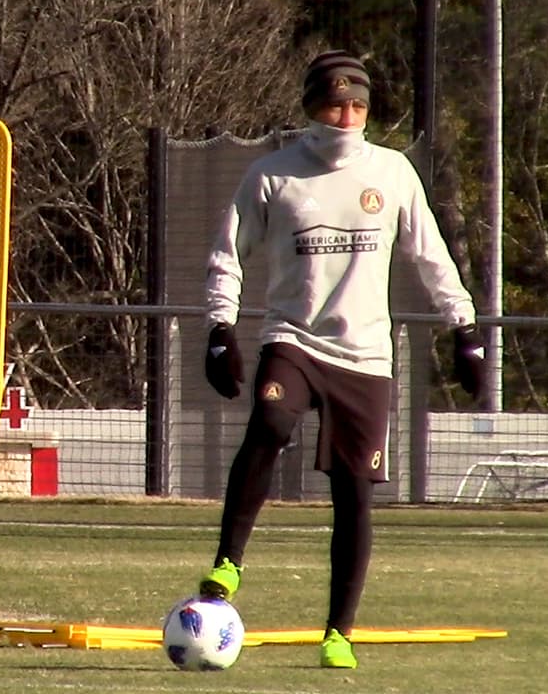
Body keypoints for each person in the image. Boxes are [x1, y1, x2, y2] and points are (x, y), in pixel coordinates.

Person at [200, 50, 485, 668]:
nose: (346, 115)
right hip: (293, 338)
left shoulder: (393, 173)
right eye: (333, 103)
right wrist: (220, 328)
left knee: (354, 491)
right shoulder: (272, 175)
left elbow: (431, 255)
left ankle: (338, 633)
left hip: (365, 355)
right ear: (310, 107)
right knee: (272, 422)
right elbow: (229, 253)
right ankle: (227, 564)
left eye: (356, 104)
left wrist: (464, 327)